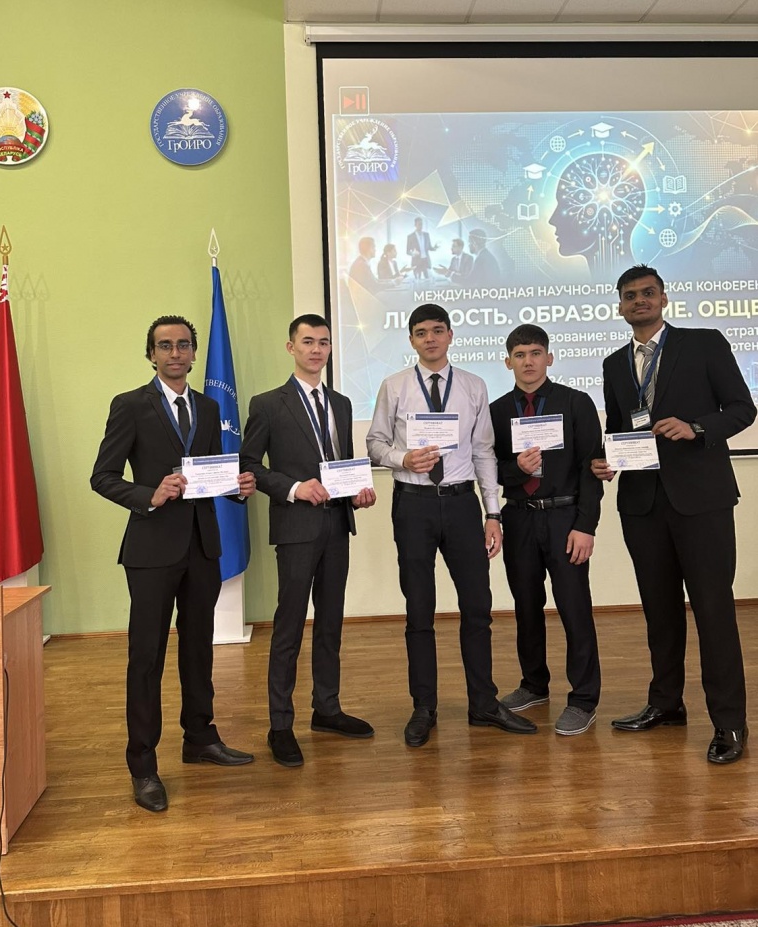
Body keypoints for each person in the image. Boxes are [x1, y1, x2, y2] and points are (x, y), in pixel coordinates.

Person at [91, 315, 257, 812]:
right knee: (146, 658)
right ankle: (143, 766)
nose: (175, 353)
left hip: (202, 547)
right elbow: (103, 476)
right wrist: (150, 494)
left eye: (183, 345)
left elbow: (211, 474)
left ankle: (200, 738)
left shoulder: (207, 407)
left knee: (199, 649)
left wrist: (237, 487)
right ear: (151, 354)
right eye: (165, 346)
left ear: (194, 352)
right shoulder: (129, 405)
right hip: (151, 550)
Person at [591, 266, 755, 764]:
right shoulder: (614, 363)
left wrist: (697, 428)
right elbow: (621, 428)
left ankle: (729, 722)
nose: (638, 301)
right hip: (642, 504)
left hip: (701, 501)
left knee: (713, 611)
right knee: (659, 612)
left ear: (664, 298)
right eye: (629, 296)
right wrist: (606, 461)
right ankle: (666, 704)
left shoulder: (704, 344)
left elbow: (742, 408)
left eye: (647, 293)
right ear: (620, 306)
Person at [366, 303, 536, 746]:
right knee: (419, 610)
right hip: (413, 504)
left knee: (477, 607)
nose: (430, 339)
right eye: (421, 332)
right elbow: (375, 443)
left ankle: (484, 703)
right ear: (411, 339)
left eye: (437, 330)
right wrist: (402, 458)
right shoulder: (394, 385)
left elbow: (483, 453)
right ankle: (424, 707)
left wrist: (493, 513)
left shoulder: (473, 386)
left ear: (450, 335)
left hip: (462, 505)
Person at [240, 315, 376, 767]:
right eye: (308, 342)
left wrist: (357, 490)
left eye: (324, 342)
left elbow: (342, 462)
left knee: (331, 622)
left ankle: (327, 709)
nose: (316, 350)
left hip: (337, 525)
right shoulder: (268, 403)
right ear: (291, 347)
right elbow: (249, 465)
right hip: (296, 528)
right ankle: (280, 725)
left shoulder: (341, 402)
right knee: (289, 626)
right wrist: (296, 488)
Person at [490, 325, 603, 736]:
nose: (528, 362)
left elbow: (591, 468)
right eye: (520, 355)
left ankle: (584, 699)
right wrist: (515, 470)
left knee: (574, 607)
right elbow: (490, 469)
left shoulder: (575, 402)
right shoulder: (497, 411)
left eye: (536, 353)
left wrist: (585, 526)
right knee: (525, 605)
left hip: (564, 518)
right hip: (520, 516)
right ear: (508, 362)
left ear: (549, 358)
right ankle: (534, 684)